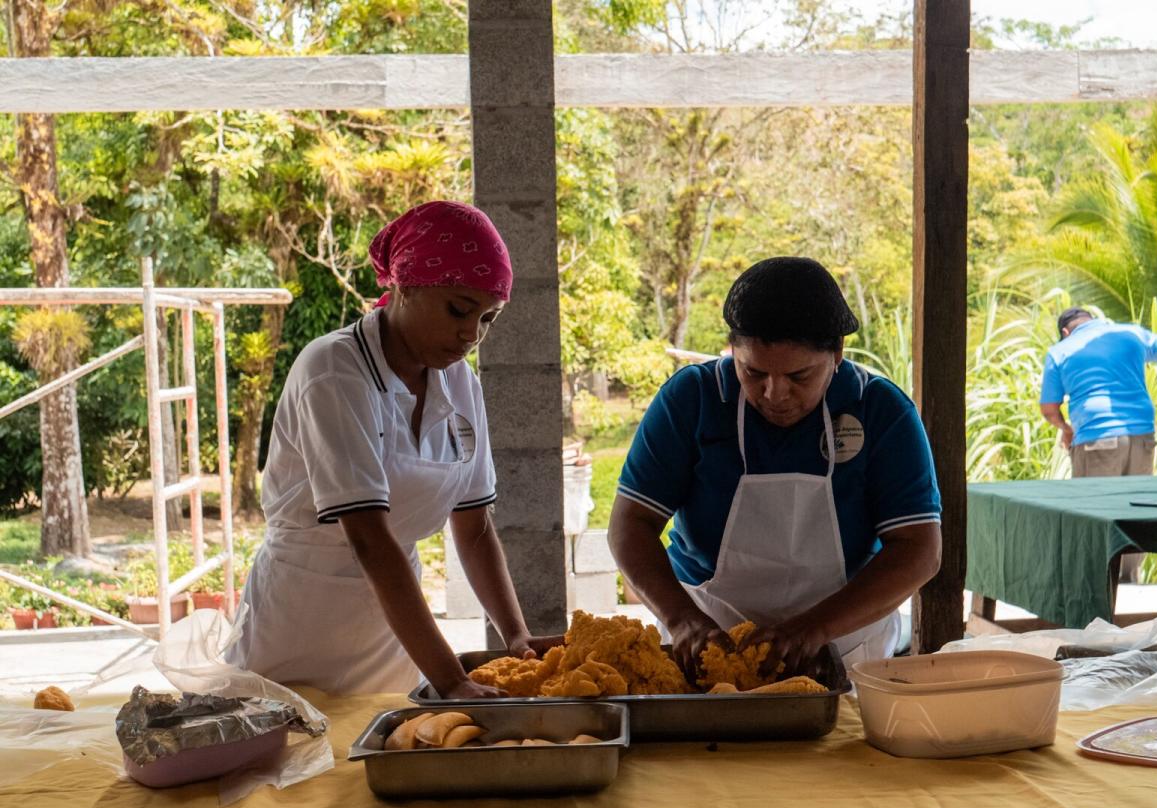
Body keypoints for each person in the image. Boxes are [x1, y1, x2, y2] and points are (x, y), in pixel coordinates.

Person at [226, 200, 555, 697]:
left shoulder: (459, 382)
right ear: (405, 285)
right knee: (294, 738)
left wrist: (516, 637)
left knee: (392, 731)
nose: (471, 334)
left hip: (395, 634)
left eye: (488, 318)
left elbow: (474, 529)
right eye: (458, 310)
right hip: (300, 623)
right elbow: (369, 540)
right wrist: (451, 680)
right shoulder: (334, 370)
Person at [608, 257, 942, 680]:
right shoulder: (693, 401)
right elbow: (631, 524)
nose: (774, 393)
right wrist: (681, 619)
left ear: (837, 353)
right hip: (708, 637)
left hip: (845, 639)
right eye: (753, 372)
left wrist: (813, 629)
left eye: (799, 376)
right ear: (732, 350)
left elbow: (919, 549)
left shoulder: (880, 411)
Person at [1039, 306, 1157, 580]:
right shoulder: (1131, 333)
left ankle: (1097, 584)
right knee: (1136, 509)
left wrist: (1065, 428)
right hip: (1142, 435)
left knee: (1094, 514)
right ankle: (1129, 580)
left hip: (1096, 438)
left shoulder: (1060, 351)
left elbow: (1049, 408)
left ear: (1066, 332)